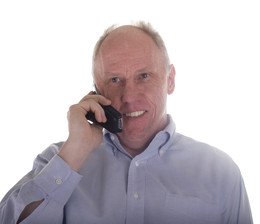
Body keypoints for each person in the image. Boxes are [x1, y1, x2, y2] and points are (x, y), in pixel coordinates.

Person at [0, 22, 253, 224]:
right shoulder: (58, 160)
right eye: (114, 80)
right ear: (95, 91)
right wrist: (73, 153)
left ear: (170, 80)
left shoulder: (221, 172)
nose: (129, 96)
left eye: (144, 76)